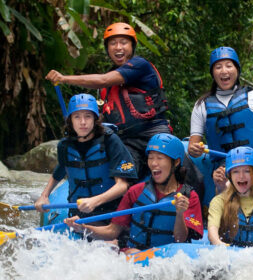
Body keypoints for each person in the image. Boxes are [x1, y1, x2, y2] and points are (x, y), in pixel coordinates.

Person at [45, 22, 171, 180]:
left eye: (124, 42)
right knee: (119, 173)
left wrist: (64, 79)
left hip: (153, 133)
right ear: (107, 49)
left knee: (171, 170)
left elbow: (103, 79)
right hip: (125, 141)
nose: (118, 47)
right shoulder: (107, 89)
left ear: (132, 46)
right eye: (113, 43)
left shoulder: (140, 66)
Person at [65, 133, 203, 253]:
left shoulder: (188, 196)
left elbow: (180, 240)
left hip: (166, 261)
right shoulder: (136, 191)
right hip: (135, 255)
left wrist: (179, 213)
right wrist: (82, 227)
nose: (153, 163)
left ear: (176, 162)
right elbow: (112, 231)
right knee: (130, 252)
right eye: (151, 157)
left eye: (160, 158)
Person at [187, 46, 253, 196]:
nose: (224, 71)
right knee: (226, 188)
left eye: (229, 65)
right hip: (228, 166)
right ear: (213, 73)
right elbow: (192, 146)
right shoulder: (202, 106)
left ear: (237, 70)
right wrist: (194, 150)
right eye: (218, 67)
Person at [35, 94, 136, 221]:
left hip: (110, 212)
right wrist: (44, 195)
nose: (83, 122)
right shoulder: (65, 146)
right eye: (77, 117)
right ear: (70, 120)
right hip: (78, 213)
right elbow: (60, 171)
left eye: (88, 116)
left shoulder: (110, 140)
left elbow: (123, 186)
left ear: (95, 118)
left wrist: (95, 201)